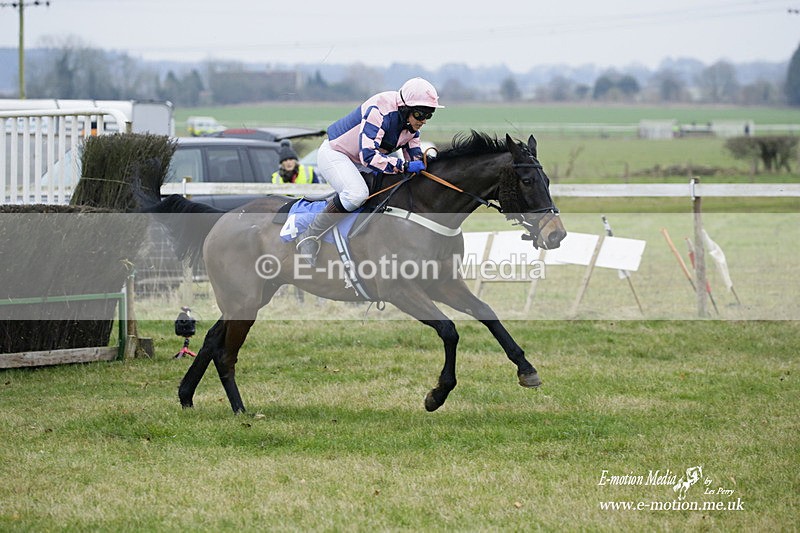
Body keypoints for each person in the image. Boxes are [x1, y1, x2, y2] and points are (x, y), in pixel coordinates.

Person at [297, 77, 444, 265]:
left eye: (428, 115)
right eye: (420, 115)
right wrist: (404, 166)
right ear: (405, 109)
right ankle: (310, 235)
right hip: (337, 154)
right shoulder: (379, 110)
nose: (423, 121)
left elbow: (414, 159)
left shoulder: (411, 126)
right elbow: (368, 156)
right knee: (356, 195)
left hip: (364, 161)